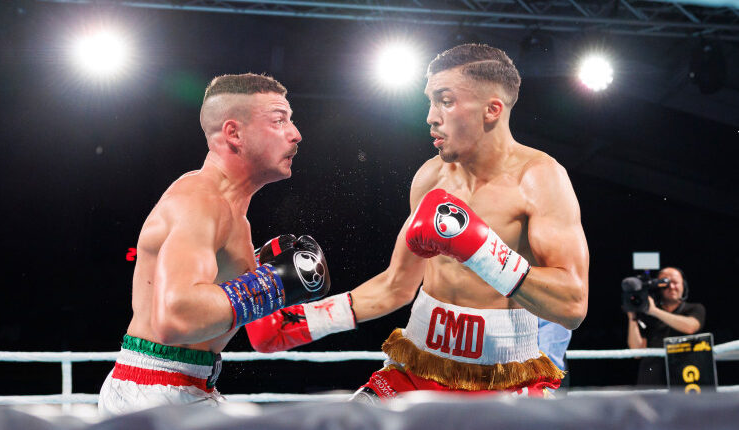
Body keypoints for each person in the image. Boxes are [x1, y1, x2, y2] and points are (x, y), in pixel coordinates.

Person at [245, 43, 589, 400]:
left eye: (445, 100)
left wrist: (483, 251)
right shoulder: (431, 177)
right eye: (430, 101)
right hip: (418, 365)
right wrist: (303, 321)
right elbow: (396, 286)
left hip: (505, 377)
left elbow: (572, 305)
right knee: (348, 423)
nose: (431, 116)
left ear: (492, 110)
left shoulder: (540, 179)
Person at [98, 73, 333, 416]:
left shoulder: (233, 215)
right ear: (234, 134)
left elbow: (247, 323)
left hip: (181, 385)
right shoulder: (201, 200)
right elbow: (175, 318)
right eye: (279, 120)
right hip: (157, 394)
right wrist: (271, 283)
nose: (295, 134)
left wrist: (265, 278)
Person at [626, 266, 705, 386]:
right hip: (652, 380)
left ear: (683, 285)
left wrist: (654, 311)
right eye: (666, 283)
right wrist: (632, 317)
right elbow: (637, 352)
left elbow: (690, 327)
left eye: (675, 282)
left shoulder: (695, 308)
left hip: (685, 380)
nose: (671, 287)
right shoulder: (648, 315)